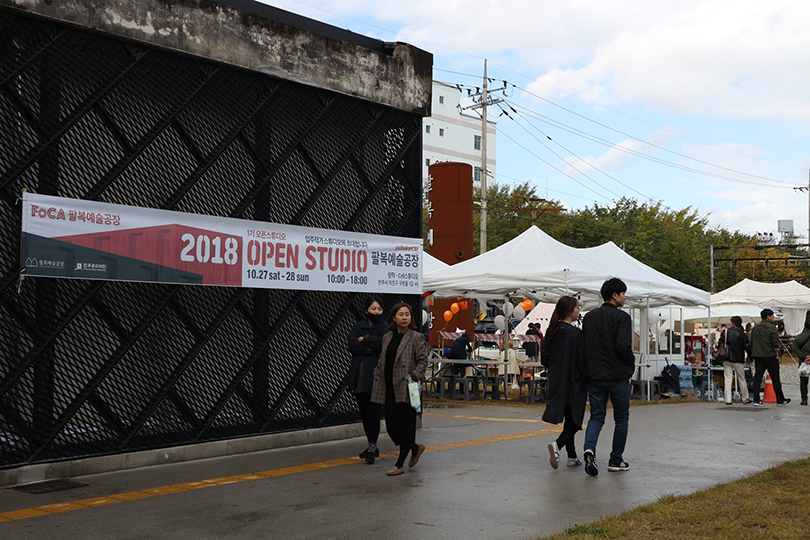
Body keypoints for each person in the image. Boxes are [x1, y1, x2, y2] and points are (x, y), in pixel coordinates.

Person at [582, 278, 634, 476]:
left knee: (596, 417)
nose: (625, 297)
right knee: (621, 418)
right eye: (623, 293)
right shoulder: (622, 318)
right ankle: (615, 459)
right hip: (618, 375)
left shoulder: (589, 317)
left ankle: (589, 448)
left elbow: (585, 346)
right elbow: (623, 347)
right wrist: (630, 364)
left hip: (595, 375)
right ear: (615, 295)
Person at [371, 302, 428, 476]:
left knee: (405, 425)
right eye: (401, 314)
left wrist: (414, 376)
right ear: (394, 317)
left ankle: (399, 463)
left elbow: (423, 360)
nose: (404, 318)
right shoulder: (387, 337)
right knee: (391, 427)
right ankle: (415, 447)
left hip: (406, 386)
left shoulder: (416, 337)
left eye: (407, 314)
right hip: (387, 386)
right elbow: (383, 359)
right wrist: (377, 372)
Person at [542, 296, 587, 469]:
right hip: (574, 380)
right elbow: (582, 361)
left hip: (557, 379)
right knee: (575, 419)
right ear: (569, 311)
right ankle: (558, 445)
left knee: (569, 416)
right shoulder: (576, 334)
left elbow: (544, 357)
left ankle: (572, 455)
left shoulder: (551, 331)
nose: (578, 310)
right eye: (577, 308)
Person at [347, 296, 388, 464]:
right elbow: (351, 345)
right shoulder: (358, 326)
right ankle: (372, 445)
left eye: (379, 309)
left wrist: (365, 340)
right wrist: (371, 347)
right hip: (359, 377)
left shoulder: (385, 327)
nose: (376, 312)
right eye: (373, 309)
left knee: (373, 412)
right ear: (366, 310)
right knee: (364, 413)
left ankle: (372, 445)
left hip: (376, 377)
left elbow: (384, 344)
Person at [750, 309, 790, 406]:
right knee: (775, 378)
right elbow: (775, 343)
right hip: (769, 355)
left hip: (758, 355)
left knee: (758, 377)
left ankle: (756, 399)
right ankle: (780, 399)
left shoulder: (755, 328)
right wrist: (777, 354)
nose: (773, 318)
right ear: (768, 316)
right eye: (772, 316)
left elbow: (752, 342)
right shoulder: (772, 328)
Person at [718, 316, 751, 405]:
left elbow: (720, 343)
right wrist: (750, 357)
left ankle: (728, 399)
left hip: (726, 358)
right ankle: (745, 398)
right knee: (741, 378)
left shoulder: (726, 332)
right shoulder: (742, 334)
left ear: (733, 322)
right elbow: (747, 347)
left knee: (727, 379)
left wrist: (719, 356)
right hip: (738, 359)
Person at [790, 320, 810, 406]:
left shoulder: (799, 337)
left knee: (803, 381)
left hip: (804, 362)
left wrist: (803, 356)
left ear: (804, 327)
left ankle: (804, 399)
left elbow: (794, 348)